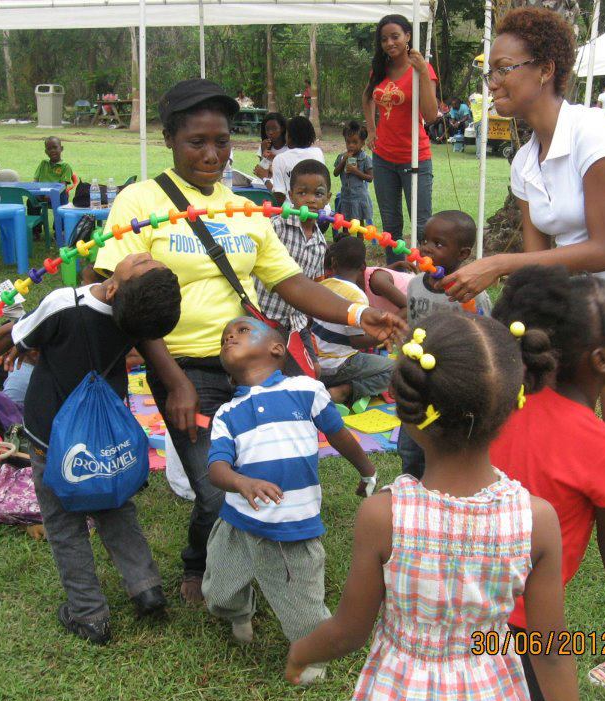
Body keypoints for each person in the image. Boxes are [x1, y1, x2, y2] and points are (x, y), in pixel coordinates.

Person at [94, 79, 406, 604]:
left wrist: (359, 312)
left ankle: (250, 559)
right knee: (215, 485)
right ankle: (202, 563)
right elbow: (126, 303)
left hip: (248, 364)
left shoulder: (242, 209)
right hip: (182, 365)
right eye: (197, 142)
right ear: (170, 138)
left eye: (222, 141)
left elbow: (292, 283)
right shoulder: (140, 202)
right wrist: (171, 381)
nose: (213, 154)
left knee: (266, 468)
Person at [443, 7, 605, 670]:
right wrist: (490, 308)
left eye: (504, 69)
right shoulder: (525, 160)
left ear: (546, 70)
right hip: (573, 315)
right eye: (489, 71)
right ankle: (520, 600)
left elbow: (601, 249)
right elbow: (541, 272)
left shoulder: (597, 136)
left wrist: (502, 262)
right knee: (547, 453)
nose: (493, 83)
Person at [285, 311, 581, 701]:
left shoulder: (384, 516)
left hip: (402, 699)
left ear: (409, 414)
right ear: (514, 407)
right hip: (493, 698)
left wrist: (302, 650)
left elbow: (348, 632)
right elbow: (549, 649)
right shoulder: (536, 520)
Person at [0, 254, 182, 643]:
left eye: (145, 266)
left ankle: (88, 613)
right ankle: (146, 587)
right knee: (114, 506)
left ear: (114, 288)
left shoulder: (65, 304)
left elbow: (10, 336)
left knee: (63, 525)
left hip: (52, 440)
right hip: (105, 438)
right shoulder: (139, 319)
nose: (147, 256)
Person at [490, 266, 605, 701]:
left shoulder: (507, 405)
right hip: (526, 623)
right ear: (601, 359)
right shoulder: (601, 445)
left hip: (463, 598)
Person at [202, 317, 377, 683]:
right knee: (218, 591)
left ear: (277, 348)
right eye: (224, 336)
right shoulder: (226, 414)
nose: (230, 335)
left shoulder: (305, 389)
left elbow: (339, 435)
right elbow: (216, 469)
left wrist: (367, 471)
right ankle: (239, 612)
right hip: (238, 521)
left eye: (242, 330)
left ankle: (314, 653)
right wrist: (240, 481)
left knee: (301, 601)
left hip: (291, 523)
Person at [397, 210, 490, 479]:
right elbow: (412, 325)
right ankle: (413, 488)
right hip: (417, 381)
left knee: (449, 444)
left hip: (453, 384)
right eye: (425, 240)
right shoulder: (415, 285)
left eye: (438, 244)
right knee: (411, 447)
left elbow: (486, 335)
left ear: (462, 254)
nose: (426, 248)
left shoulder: (471, 295)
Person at [363, 14, 438, 263]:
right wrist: (371, 130)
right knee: (390, 223)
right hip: (383, 157)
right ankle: (395, 271)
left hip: (415, 156)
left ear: (407, 36)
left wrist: (423, 74)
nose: (389, 43)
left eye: (395, 36)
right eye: (384, 39)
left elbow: (430, 114)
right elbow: (367, 97)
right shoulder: (379, 68)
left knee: (421, 223)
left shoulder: (422, 69)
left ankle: (423, 271)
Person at [254, 158, 330, 375]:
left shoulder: (320, 243)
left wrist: (309, 322)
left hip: (295, 323)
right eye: (302, 193)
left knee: (313, 370)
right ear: (290, 195)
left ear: (327, 200)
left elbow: (316, 285)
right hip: (264, 316)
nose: (310, 200)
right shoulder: (276, 226)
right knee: (266, 369)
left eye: (318, 194)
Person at [312, 235, 396, 406]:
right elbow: (356, 342)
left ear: (333, 263)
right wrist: (383, 336)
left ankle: (332, 387)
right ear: (363, 267)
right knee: (395, 369)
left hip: (316, 365)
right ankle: (345, 391)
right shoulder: (356, 296)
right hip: (340, 364)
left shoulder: (322, 286)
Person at [270, 115, 324, 204]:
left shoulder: (280, 159)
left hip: (293, 212)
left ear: (290, 137)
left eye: (286, 133)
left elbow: (279, 196)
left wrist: (264, 178)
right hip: (319, 209)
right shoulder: (318, 153)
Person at [333, 120, 374, 226]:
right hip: (345, 197)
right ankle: (346, 241)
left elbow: (370, 178)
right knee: (345, 223)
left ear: (362, 143)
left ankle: (359, 242)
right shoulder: (342, 156)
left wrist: (356, 171)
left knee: (359, 224)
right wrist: (343, 161)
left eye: (355, 142)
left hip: (359, 197)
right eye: (348, 142)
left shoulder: (365, 158)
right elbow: (335, 173)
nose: (351, 145)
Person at [253, 112, 286, 183]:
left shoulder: (289, 147)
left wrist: (274, 157)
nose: (270, 132)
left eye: (274, 128)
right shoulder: (264, 145)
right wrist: (263, 150)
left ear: (282, 128)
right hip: (267, 185)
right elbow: (262, 172)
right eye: (267, 129)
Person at [469, 91, 485, 158]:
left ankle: (478, 154)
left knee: (478, 137)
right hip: (481, 119)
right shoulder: (480, 97)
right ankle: (480, 155)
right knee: (481, 137)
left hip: (476, 120)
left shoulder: (471, 99)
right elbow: (491, 99)